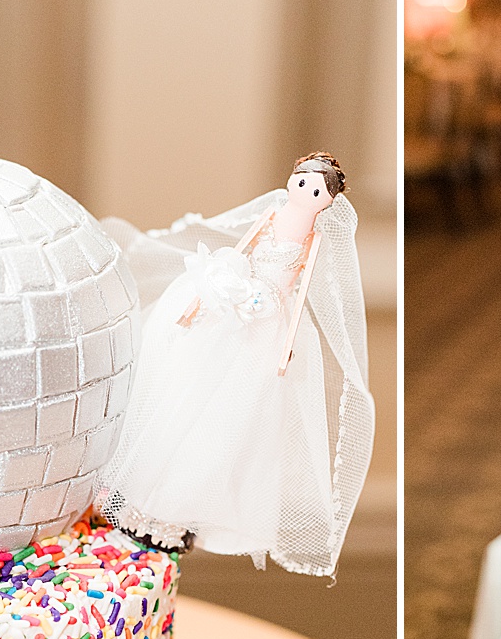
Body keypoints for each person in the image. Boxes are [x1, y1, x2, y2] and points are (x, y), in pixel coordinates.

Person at [93, 152, 374, 577]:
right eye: (302, 182)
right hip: (230, 303)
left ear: (327, 201)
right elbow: (244, 247)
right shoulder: (272, 214)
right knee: (180, 384)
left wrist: (287, 340)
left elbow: (299, 290)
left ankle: (175, 514)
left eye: (316, 190)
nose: (306, 191)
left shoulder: (312, 239)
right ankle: (132, 492)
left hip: (265, 322)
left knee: (225, 419)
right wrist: (216, 286)